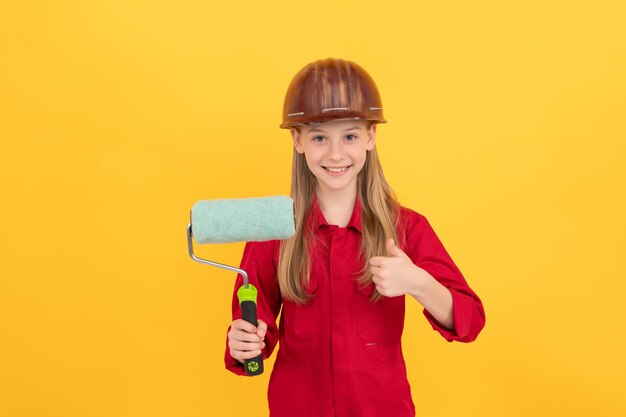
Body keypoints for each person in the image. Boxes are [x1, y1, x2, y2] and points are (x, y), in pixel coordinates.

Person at [224, 58, 486, 417]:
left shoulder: (406, 228)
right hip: (297, 407)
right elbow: (256, 333)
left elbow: (470, 320)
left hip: (382, 407)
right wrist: (244, 344)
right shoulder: (272, 232)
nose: (335, 154)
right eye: (319, 137)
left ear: (370, 137)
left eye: (349, 136)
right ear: (298, 141)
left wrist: (419, 283)